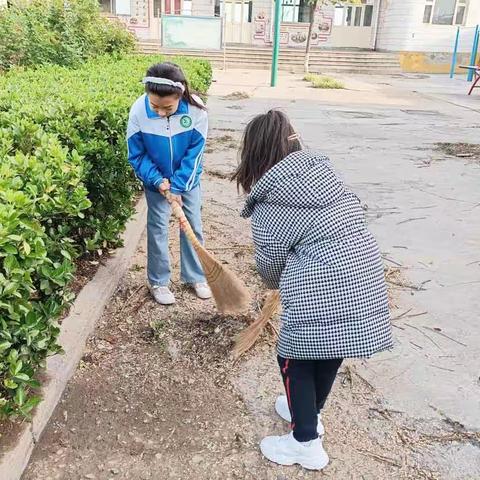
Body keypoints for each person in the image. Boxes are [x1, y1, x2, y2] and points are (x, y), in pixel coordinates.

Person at [232, 110, 393, 471]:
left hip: (322, 282)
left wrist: (274, 283)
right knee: (330, 345)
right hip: (365, 271)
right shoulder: (322, 173)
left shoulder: (271, 200)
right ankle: (307, 412)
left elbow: (270, 261)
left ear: (254, 154)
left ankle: (304, 442)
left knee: (293, 357)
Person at [127, 62, 211, 305]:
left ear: (181, 93)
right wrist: (158, 181)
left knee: (192, 224)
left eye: (167, 107)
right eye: (155, 106)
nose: (160, 112)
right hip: (156, 182)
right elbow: (137, 155)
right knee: (158, 227)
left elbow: (195, 153)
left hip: (188, 181)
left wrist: (177, 187)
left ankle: (195, 276)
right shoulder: (138, 111)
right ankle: (158, 282)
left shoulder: (196, 111)